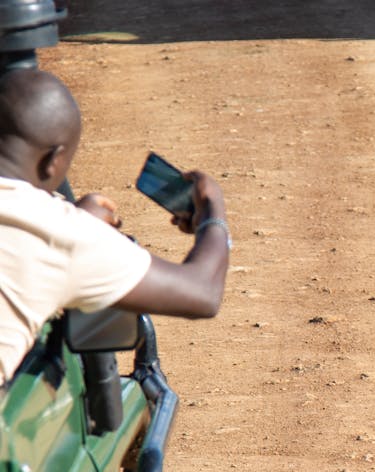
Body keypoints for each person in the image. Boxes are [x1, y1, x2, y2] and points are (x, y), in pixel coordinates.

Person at [0, 67, 229, 380]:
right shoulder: (62, 234)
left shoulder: (62, 228)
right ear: (53, 160)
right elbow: (203, 293)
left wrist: (73, 218)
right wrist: (213, 213)